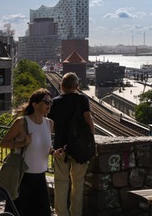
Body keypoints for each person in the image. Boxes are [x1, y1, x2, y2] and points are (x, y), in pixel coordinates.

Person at [0, 88, 61, 216]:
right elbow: (3, 143)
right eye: (46, 102)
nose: (49, 105)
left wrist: (53, 152)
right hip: (22, 177)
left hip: (40, 177)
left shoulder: (49, 123)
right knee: (18, 212)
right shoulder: (22, 123)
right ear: (35, 104)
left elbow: (44, 147)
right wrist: (21, 143)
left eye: (51, 102)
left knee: (43, 212)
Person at [48, 72, 95, 216]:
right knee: (78, 183)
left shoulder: (55, 102)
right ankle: (76, 213)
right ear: (77, 86)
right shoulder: (82, 99)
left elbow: (51, 125)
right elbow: (89, 121)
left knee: (61, 182)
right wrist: (90, 139)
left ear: (62, 86)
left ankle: (62, 213)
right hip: (79, 147)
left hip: (60, 147)